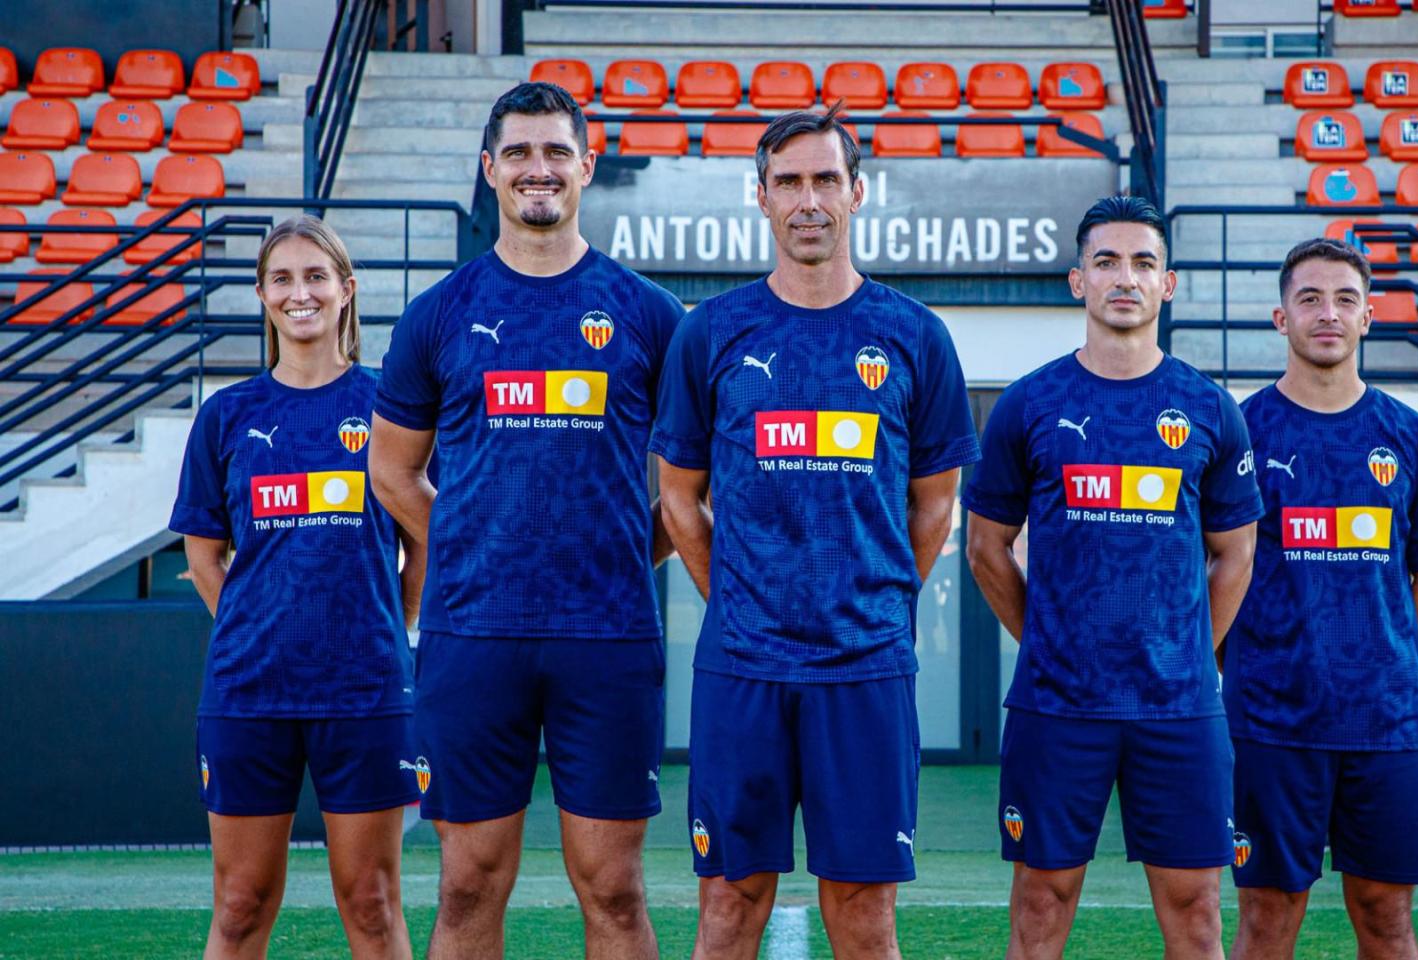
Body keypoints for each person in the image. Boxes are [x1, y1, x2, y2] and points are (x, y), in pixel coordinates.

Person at [651, 104, 980, 960]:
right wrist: (734, 598)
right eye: (788, 180)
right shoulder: (710, 332)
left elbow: (935, 506)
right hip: (742, 665)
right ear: (759, 196)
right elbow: (680, 498)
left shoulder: (914, 336)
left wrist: (877, 600)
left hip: (864, 665)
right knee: (728, 902)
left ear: (857, 192)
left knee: (865, 913)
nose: (808, 199)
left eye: (825, 179)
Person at [367, 82, 684, 959]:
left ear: (587, 165)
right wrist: (472, 538)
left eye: (554, 152)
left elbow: (699, 481)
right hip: (475, 636)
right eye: (517, 153)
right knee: (467, 889)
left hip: (608, 636)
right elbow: (391, 471)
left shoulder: (651, 314)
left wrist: (630, 550)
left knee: (615, 891)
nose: (536, 169)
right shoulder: (440, 313)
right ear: (488, 170)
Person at [962, 195, 1263, 960]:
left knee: (1196, 912)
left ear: (1167, 284)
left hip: (1179, 705)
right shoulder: (1029, 403)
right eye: (1106, 262)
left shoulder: (1207, 408)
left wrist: (1191, 649)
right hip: (1058, 704)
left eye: (1142, 263)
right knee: (1040, 902)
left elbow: (1235, 552)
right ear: (1077, 281)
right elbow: (986, 549)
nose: (1124, 278)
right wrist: (1045, 642)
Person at [1222, 238, 1418, 960]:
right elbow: (1214, 567)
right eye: (1309, 299)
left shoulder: (1412, 439)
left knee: (1388, 921)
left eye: (1343, 299)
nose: (1327, 313)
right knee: (1267, 920)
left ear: (1370, 316)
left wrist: (1382, 650)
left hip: (1387, 722)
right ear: (1280, 318)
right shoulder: (1242, 430)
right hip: (1271, 722)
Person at [172, 215, 421, 960]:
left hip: (366, 689)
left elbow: (425, 540)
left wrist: (394, 624)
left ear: (346, 291)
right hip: (250, 692)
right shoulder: (226, 416)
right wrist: (258, 625)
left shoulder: (391, 408)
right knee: (242, 906)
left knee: (372, 904)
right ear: (261, 295)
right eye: (282, 278)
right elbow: (205, 556)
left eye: (316, 276)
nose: (299, 292)